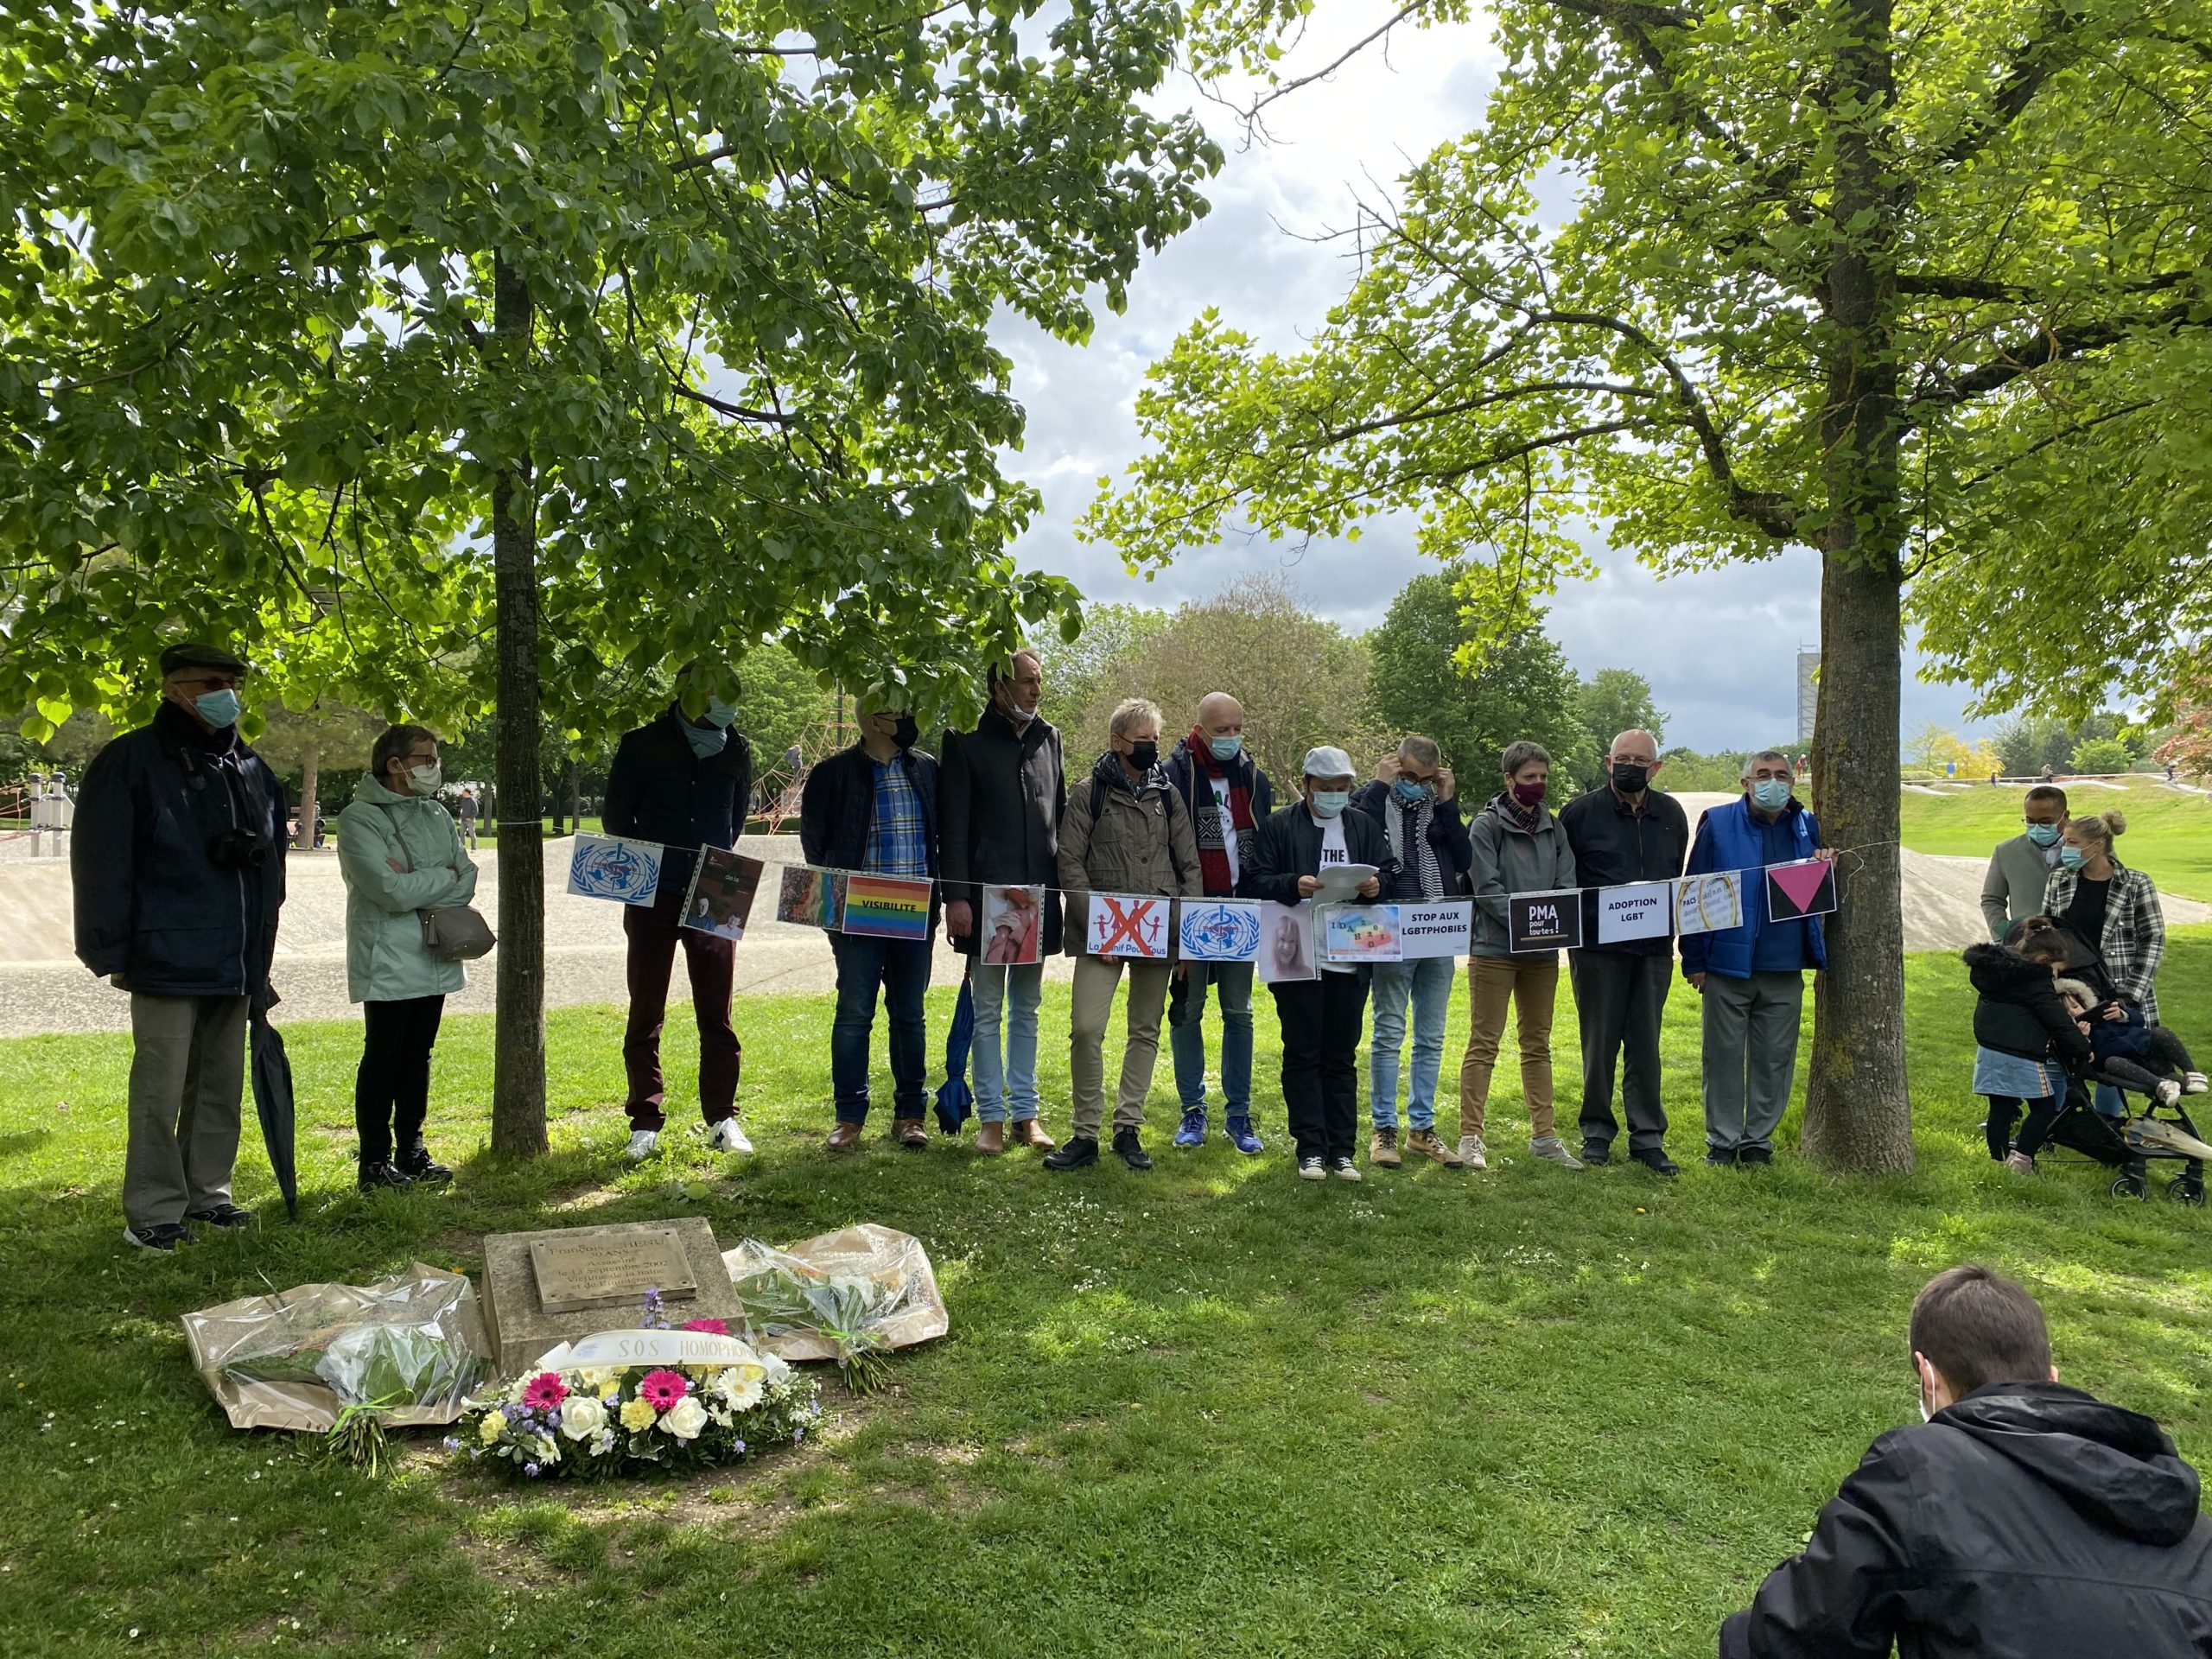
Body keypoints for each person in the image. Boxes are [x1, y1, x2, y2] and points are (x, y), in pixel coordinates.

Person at [1721, 1264, 2212, 1658]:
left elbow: (1798, 1637)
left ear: (1926, 1375)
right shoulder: (2188, 1522)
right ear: (2052, 1378)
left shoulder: (1922, 1469)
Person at [72, 643, 288, 1250]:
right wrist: (108, 946)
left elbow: (271, 872)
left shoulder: (251, 768)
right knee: (160, 1090)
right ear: (174, 689)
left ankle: (207, 1194)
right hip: (165, 954)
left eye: (234, 683)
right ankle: (153, 1211)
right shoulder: (131, 761)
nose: (227, 693)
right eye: (213, 682)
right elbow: (101, 859)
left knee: (219, 1084)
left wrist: (260, 957)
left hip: (235, 958)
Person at [602, 671, 754, 1161]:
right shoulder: (642, 743)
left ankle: (722, 1118)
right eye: (718, 695)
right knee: (646, 1007)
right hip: (651, 886)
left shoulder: (737, 749)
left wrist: (709, 859)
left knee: (718, 1011)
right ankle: (644, 1120)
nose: (727, 707)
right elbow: (616, 820)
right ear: (690, 694)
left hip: (716, 882)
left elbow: (734, 821)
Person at [1047, 697, 1201, 1173]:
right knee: (1087, 1029)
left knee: (1145, 1030)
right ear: (1117, 743)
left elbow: (1189, 866)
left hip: (1160, 930)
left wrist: (1188, 940)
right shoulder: (1087, 793)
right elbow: (1069, 863)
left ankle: (1127, 1128)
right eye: (1143, 740)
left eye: (1156, 739)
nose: (1152, 747)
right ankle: (1084, 1134)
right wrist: (1102, 927)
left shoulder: (1170, 796)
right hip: (1101, 934)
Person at [338, 725, 478, 1191]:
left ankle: (411, 1149)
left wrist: (424, 877)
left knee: (418, 1055)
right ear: (396, 764)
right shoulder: (360, 818)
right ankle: (374, 1162)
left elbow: (468, 876)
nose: (434, 767)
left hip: (435, 951)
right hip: (388, 955)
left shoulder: (437, 814)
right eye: (427, 758)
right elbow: (387, 891)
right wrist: (441, 876)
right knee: (384, 1056)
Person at [1243, 746, 1394, 1180]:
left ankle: (1342, 1149)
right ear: (1307, 786)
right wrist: (1295, 883)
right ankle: (1310, 1146)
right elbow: (1255, 879)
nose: (1334, 795)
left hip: (1352, 956)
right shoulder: (1279, 826)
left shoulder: (1363, 825)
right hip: (1298, 957)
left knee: (1341, 1056)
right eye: (1325, 789)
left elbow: (1388, 876)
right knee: (1303, 1052)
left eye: (1342, 788)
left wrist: (1374, 888)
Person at [937, 651, 1062, 1155]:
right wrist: (957, 897)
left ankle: (1025, 1115)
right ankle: (990, 1116)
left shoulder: (1049, 736)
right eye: (1027, 682)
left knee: (1027, 1010)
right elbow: (954, 827)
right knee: (987, 1010)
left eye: (1039, 681)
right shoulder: (963, 739)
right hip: (986, 900)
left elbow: (1059, 818)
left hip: (1038, 899)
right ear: (998, 687)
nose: (1035, 690)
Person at [802, 698, 941, 1151]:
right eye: (900, 713)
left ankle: (911, 1114)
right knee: (853, 1015)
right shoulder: (831, 774)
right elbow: (815, 847)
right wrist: (836, 914)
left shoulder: (927, 769)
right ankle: (848, 1117)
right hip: (857, 918)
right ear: (875, 721)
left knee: (910, 1016)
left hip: (915, 915)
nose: (908, 720)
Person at [1681, 750, 1829, 1167]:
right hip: (1728, 965)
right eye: (1762, 774)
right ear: (1745, 782)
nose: (1772, 782)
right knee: (1723, 1057)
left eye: (1781, 775)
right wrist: (1693, 959)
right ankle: (1723, 1143)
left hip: (1785, 965)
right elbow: (1695, 889)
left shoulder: (1807, 826)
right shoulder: (1719, 822)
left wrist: (1824, 862)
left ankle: (1757, 1142)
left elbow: (1821, 889)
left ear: (1793, 781)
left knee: (1774, 1060)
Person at [1558, 728, 1689, 1175]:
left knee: (1646, 1044)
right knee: (1599, 1042)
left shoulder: (1671, 814)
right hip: (1597, 950)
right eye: (1623, 759)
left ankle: (1648, 1138)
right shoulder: (1579, 814)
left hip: (1653, 950)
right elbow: (1565, 885)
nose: (1631, 766)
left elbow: (1676, 874)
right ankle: (1596, 1132)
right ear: (1609, 762)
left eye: (1641, 760)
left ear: (1656, 767)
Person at [1460, 740, 1583, 1172]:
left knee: (1537, 1044)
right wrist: (1528, 920)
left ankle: (1545, 1137)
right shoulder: (1485, 826)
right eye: (1529, 777)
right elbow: (1486, 887)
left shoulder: (1554, 825)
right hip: (1495, 949)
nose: (1538, 784)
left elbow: (1567, 882)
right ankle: (1471, 1136)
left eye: (1543, 777)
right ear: (1509, 779)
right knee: (1484, 1044)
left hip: (1542, 953)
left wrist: (1548, 922)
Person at [1348, 735, 1469, 1169]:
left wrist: (1448, 803)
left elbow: (1464, 855)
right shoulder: (1370, 799)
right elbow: (1355, 840)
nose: (1416, 785)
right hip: (1389, 927)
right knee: (1388, 1030)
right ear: (1394, 766)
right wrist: (1381, 787)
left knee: (1432, 1036)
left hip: (1438, 926)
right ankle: (1384, 1129)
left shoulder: (1439, 809)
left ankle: (1422, 1128)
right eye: (1408, 776)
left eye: (1426, 779)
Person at [1162, 691, 1274, 1155]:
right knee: (1187, 1009)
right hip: (1192, 908)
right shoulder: (1174, 774)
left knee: (1239, 1012)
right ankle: (1193, 1110)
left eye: (1236, 728)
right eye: (1221, 730)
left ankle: (1238, 1115)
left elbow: (1264, 837)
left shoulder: (1252, 776)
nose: (1231, 738)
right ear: (1200, 729)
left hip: (1241, 906)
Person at [1964, 921, 2092, 1174]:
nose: (2055, 977)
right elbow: (2057, 1020)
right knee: (2044, 1108)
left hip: (1989, 1051)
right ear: (2044, 959)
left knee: (2001, 1108)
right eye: (2056, 971)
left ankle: (1998, 1161)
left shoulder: (1996, 973)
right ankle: (2022, 1161)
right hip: (2021, 1054)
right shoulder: (2035, 980)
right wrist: (2081, 1047)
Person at [2044, 808, 2165, 1027]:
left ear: (2097, 845)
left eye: (2072, 843)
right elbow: (2046, 933)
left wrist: (2131, 993)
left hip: (2121, 993)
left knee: (2127, 1056)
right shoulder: (2058, 880)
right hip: (2074, 993)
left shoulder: (2136, 883)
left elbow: (2153, 939)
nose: (2065, 849)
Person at [2053, 974, 2205, 1103]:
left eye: (2075, 1007)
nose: (2073, 1013)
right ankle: (2162, 1085)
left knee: (2160, 1032)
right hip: (2125, 1065)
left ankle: (2192, 1073)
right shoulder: (2074, 1036)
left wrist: (2122, 1015)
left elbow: (2139, 1020)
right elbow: (2085, 1060)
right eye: (2066, 1013)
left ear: (2084, 1004)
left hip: (2149, 1051)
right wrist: (2083, 1039)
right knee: (2112, 1062)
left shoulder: (2104, 1015)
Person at [1980, 784, 2067, 939]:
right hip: (2027, 950)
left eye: (2046, 822)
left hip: (2077, 950)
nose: (2037, 827)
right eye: (2030, 821)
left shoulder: (2090, 849)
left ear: (2065, 817)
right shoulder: (2006, 851)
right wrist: (2003, 938)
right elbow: (1992, 900)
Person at [456, 786, 480, 851]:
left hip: (470, 821)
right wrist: (460, 817)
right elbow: (462, 810)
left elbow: (476, 810)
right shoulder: (463, 801)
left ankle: (473, 847)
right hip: (463, 820)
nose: (462, 793)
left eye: (464, 792)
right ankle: (462, 847)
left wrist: (471, 818)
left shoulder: (472, 800)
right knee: (461, 834)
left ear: (467, 793)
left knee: (471, 834)